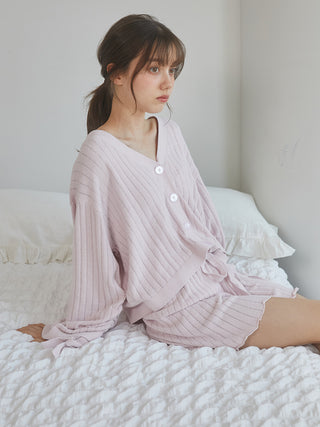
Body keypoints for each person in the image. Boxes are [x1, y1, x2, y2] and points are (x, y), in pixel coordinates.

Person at [17, 13, 320, 358]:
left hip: (218, 279)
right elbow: (95, 252)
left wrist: (217, 264)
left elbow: (198, 209)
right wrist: (79, 325)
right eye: (154, 69)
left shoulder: (170, 133)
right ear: (116, 73)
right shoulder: (97, 156)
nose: (168, 83)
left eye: (172, 70)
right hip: (179, 308)